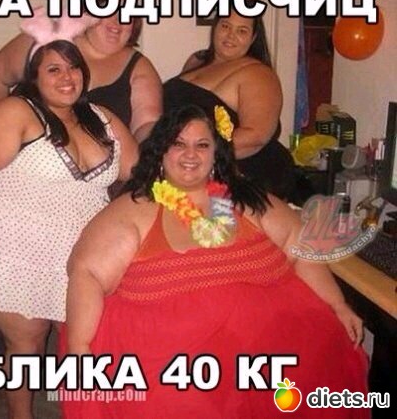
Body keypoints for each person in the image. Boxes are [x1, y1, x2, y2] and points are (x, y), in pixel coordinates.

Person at [63, 105, 368, 418]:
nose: (190, 154)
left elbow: (300, 246)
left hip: (264, 353)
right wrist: (80, 348)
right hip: (172, 368)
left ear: (215, 154)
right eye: (178, 144)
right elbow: (87, 273)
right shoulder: (134, 209)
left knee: (327, 351)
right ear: (161, 152)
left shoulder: (244, 200)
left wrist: (337, 304)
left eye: (202, 145)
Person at [0, 37, 138, 418]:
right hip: (15, 250)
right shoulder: (16, 112)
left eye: (73, 68)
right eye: (54, 69)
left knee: (82, 336)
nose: (67, 77)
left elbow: (139, 172)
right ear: (34, 77)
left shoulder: (101, 118)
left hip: (79, 255)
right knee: (27, 344)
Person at [0, 0, 162, 142]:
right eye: (109, 11)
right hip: (22, 158)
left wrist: (152, 146)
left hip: (97, 167)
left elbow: (146, 125)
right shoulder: (46, 38)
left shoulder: (139, 67)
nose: (118, 22)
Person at [165, 5, 297, 201]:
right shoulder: (197, 60)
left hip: (239, 178)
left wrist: (197, 153)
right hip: (185, 171)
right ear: (215, 27)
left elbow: (255, 136)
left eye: (242, 31)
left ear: (253, 37)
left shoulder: (259, 74)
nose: (231, 36)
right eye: (226, 26)